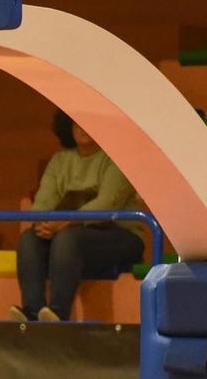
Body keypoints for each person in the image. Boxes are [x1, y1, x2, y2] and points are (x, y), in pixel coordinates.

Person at [11, 109, 147, 322]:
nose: (83, 128)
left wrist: (62, 224)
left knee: (68, 239)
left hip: (120, 236)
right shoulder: (59, 161)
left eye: (90, 121)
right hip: (66, 234)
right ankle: (32, 313)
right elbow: (43, 203)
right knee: (29, 238)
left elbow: (107, 204)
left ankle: (58, 314)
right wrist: (43, 224)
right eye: (77, 123)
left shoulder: (117, 159)